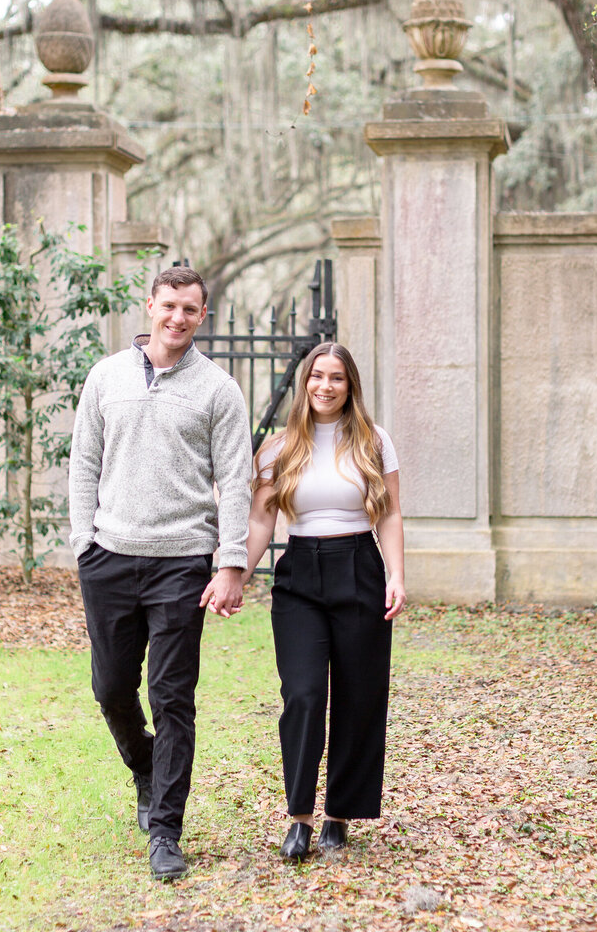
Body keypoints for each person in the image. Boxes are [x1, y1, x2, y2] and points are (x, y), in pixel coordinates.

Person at [68, 265, 252, 881]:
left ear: (204, 316)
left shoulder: (219, 390)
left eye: (190, 309)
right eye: (168, 305)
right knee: (111, 689)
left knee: (172, 698)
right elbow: (83, 465)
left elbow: (236, 482)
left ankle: (166, 831)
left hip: (182, 563)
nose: (177, 317)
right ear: (149, 306)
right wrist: (83, 545)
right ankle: (146, 771)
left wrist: (230, 562)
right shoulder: (105, 378)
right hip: (110, 559)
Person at [228, 342, 405, 860]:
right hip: (300, 573)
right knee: (303, 695)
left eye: (337, 379)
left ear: (351, 387)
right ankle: (300, 817)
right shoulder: (278, 448)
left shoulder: (374, 442)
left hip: (360, 569)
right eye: (317, 377)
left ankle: (339, 815)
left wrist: (397, 574)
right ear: (305, 383)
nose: (325, 386)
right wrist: (235, 572)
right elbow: (262, 520)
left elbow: (390, 514)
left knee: (359, 696)